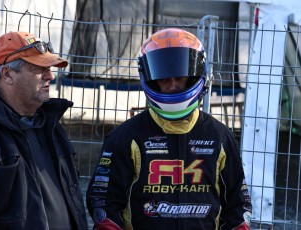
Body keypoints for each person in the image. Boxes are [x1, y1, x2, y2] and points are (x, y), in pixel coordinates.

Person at [86, 28, 252, 229]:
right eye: (164, 78)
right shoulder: (125, 137)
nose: (173, 86)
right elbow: (104, 203)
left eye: (180, 76)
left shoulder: (220, 137)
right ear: (149, 78)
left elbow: (237, 207)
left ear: (196, 74)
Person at [0, 31, 88, 229]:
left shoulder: (50, 124)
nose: (50, 75)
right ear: (7, 74)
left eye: (49, 68)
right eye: (38, 68)